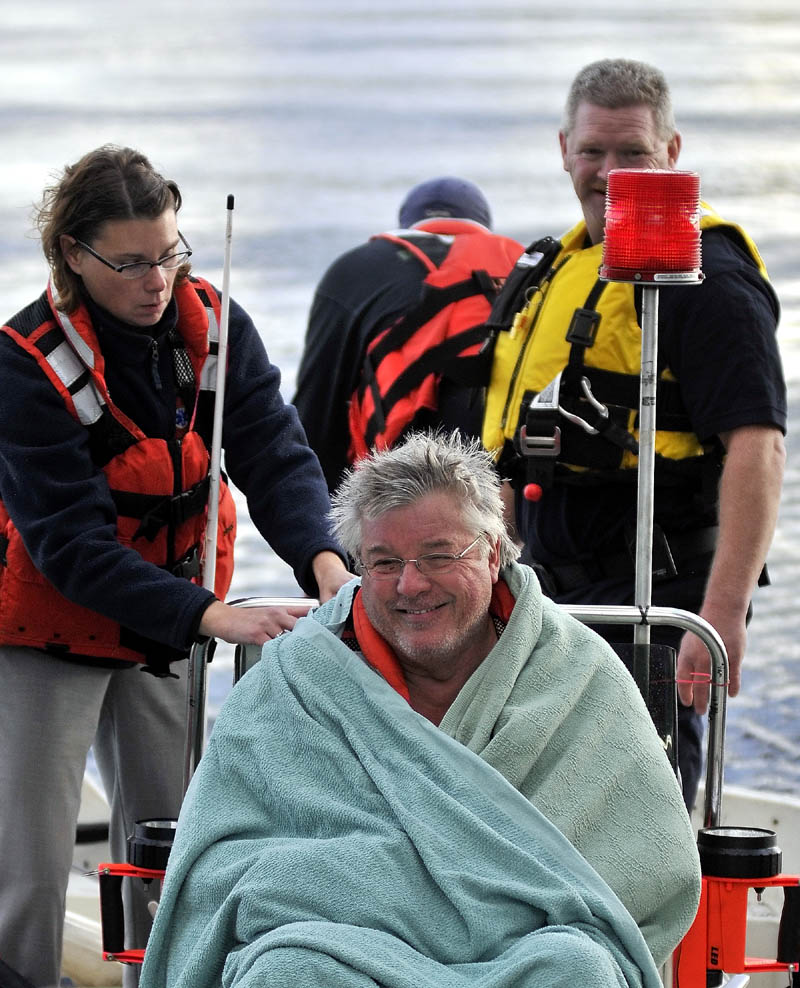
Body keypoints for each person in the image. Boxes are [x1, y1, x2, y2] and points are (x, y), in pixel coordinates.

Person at [139, 432, 700, 988]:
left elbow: (646, 869)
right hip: (339, 952)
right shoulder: (293, 684)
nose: (410, 584)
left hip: (524, 958)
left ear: (494, 551)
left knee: (579, 969)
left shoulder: (579, 674)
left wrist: (361, 880)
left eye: (438, 556)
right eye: (384, 562)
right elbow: (219, 874)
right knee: (286, 970)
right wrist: (471, 898)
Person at [0, 145, 353, 988]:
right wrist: (214, 618)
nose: (156, 279)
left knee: (171, 846)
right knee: (30, 869)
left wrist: (327, 563)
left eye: (169, 252)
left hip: (167, 628)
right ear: (73, 257)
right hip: (50, 632)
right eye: (129, 262)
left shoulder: (218, 328)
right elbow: (72, 547)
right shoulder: (23, 363)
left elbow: (276, 453)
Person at [481, 58, 787, 810]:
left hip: (653, 599)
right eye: (593, 152)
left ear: (672, 152)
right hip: (554, 594)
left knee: (637, 810)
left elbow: (760, 445)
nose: (610, 174)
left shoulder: (709, 279)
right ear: (563, 149)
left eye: (634, 154)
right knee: (536, 801)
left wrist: (719, 621)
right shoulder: (561, 264)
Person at [292, 176, 522, 492]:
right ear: (484, 228)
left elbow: (317, 412)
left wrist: (319, 526)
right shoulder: (528, 266)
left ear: (408, 224)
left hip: (403, 480)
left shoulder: (355, 269)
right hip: (512, 484)